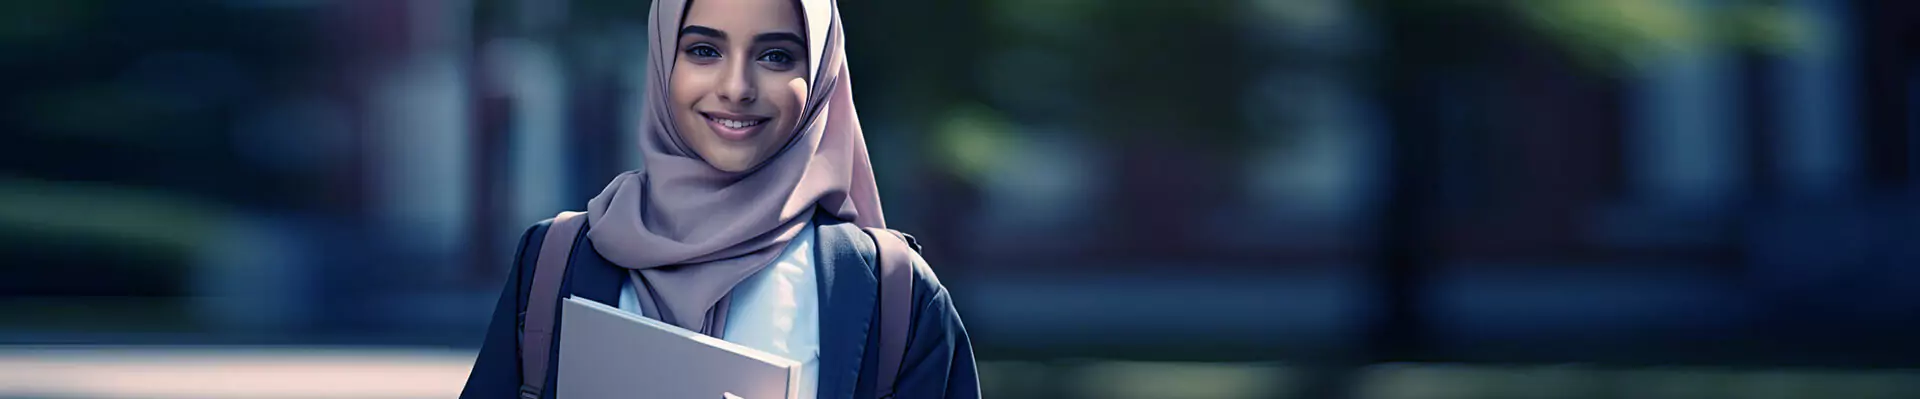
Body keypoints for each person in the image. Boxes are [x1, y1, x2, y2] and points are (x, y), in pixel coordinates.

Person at [457, 0, 981, 398]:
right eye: (704, 50)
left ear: (821, 76)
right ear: (664, 60)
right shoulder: (555, 259)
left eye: (776, 56)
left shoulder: (892, 290)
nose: (736, 87)